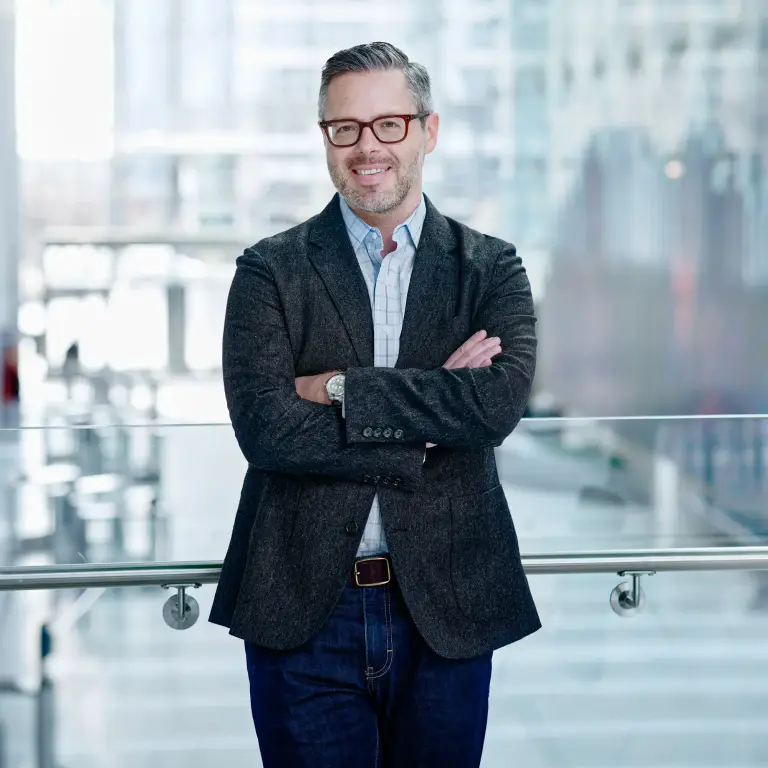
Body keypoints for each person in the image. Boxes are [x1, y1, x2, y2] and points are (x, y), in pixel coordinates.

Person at [210, 41, 540, 767]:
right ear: (325, 138)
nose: (368, 148)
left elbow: (494, 408)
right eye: (345, 128)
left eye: (389, 124)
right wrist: (426, 424)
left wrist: (338, 389)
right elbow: (267, 429)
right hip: (303, 609)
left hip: (447, 607)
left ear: (428, 130)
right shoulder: (269, 270)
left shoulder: (492, 268)